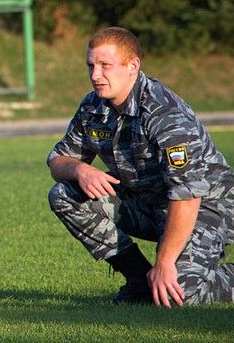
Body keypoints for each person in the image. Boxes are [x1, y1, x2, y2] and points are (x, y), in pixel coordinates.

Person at [47, 26, 234, 307]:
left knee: (177, 294)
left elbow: (188, 195)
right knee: (64, 194)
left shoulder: (164, 114)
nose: (95, 75)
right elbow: (57, 160)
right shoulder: (93, 107)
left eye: (104, 66)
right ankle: (138, 280)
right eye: (91, 65)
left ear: (132, 66)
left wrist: (165, 262)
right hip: (146, 201)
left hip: (204, 208)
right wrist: (80, 170)